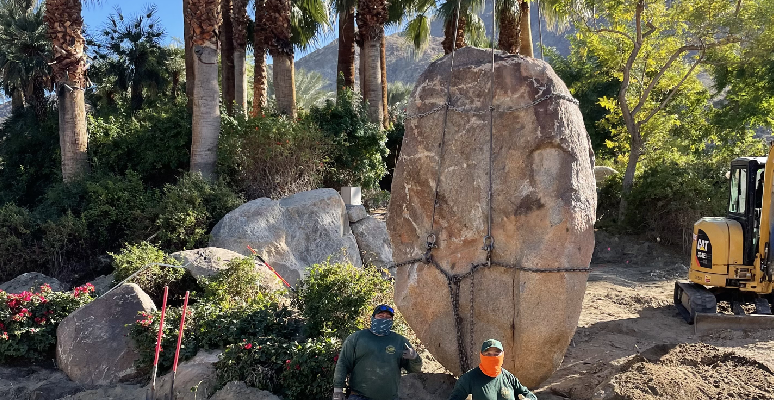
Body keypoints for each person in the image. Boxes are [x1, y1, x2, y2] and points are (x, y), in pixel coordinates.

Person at [332, 304, 422, 400]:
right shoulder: (357, 338)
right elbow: (343, 363)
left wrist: (414, 357)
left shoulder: (399, 341)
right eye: (381, 316)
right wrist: (338, 390)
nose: (384, 319)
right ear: (373, 318)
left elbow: (414, 370)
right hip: (359, 396)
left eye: (388, 318)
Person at [448, 339, 537, 400]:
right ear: (481, 355)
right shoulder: (469, 379)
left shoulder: (508, 377)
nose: (492, 357)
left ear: (502, 355)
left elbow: (528, 394)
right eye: (488, 353)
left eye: (496, 353)